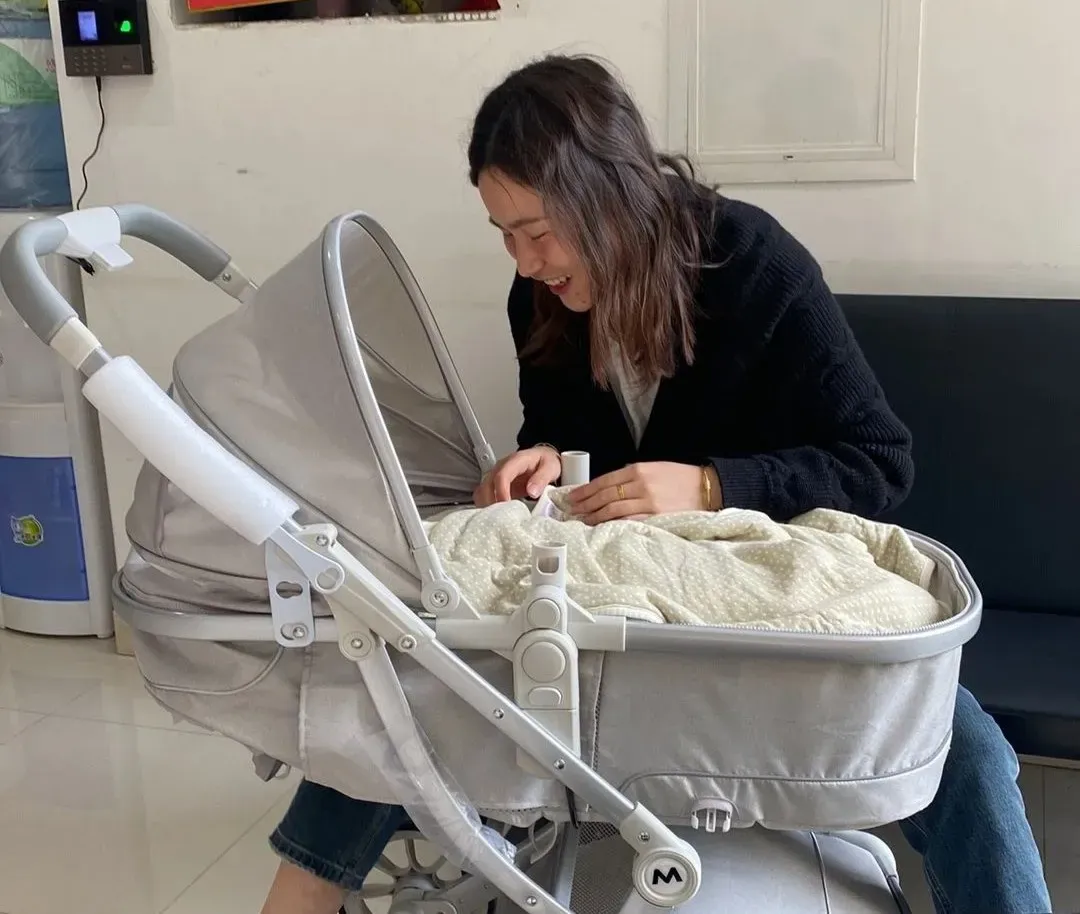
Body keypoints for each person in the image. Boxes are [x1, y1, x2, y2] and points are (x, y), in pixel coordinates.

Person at [260, 54, 1051, 914]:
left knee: (969, 749)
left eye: (537, 231)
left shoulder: (750, 263)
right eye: (503, 233)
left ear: (608, 194)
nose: (524, 260)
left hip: (766, 591)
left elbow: (878, 458)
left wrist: (713, 487)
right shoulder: (542, 299)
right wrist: (543, 457)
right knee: (419, 659)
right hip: (629, 610)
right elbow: (562, 432)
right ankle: (302, 894)